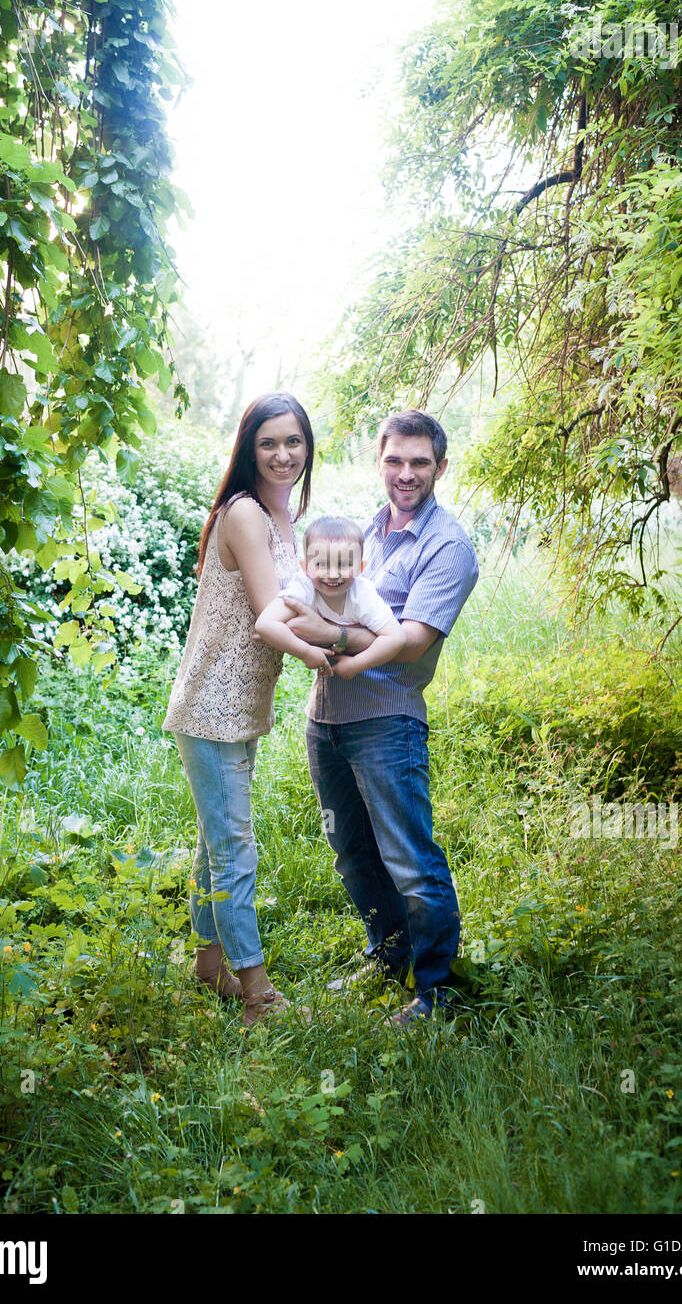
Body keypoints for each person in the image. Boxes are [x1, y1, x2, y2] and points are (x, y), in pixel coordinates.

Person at [283, 411, 479, 1025]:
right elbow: (307, 598)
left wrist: (322, 630)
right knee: (352, 852)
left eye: (420, 462)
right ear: (380, 462)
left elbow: (413, 640)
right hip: (328, 719)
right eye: (395, 460)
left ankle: (436, 991)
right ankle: (390, 959)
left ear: (440, 468)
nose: (406, 473)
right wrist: (345, 630)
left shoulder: (448, 546)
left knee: (410, 860)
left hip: (388, 723)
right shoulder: (363, 531)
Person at [162, 393, 328, 1026]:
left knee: (214, 841)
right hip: (212, 705)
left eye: (294, 442)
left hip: (240, 705)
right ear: (249, 450)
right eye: (269, 443)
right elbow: (270, 617)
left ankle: (208, 967)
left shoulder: (282, 519)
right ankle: (258, 995)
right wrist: (337, 647)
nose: (283, 454)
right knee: (234, 844)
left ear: (308, 448)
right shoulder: (245, 515)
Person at [254, 514, 405, 676]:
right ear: (306, 567)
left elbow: (395, 637)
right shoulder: (304, 585)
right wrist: (306, 652)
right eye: (322, 564)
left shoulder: (362, 594)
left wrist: (356, 664)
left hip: (376, 676)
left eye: (343, 564)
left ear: (360, 567)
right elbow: (265, 624)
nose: (332, 574)